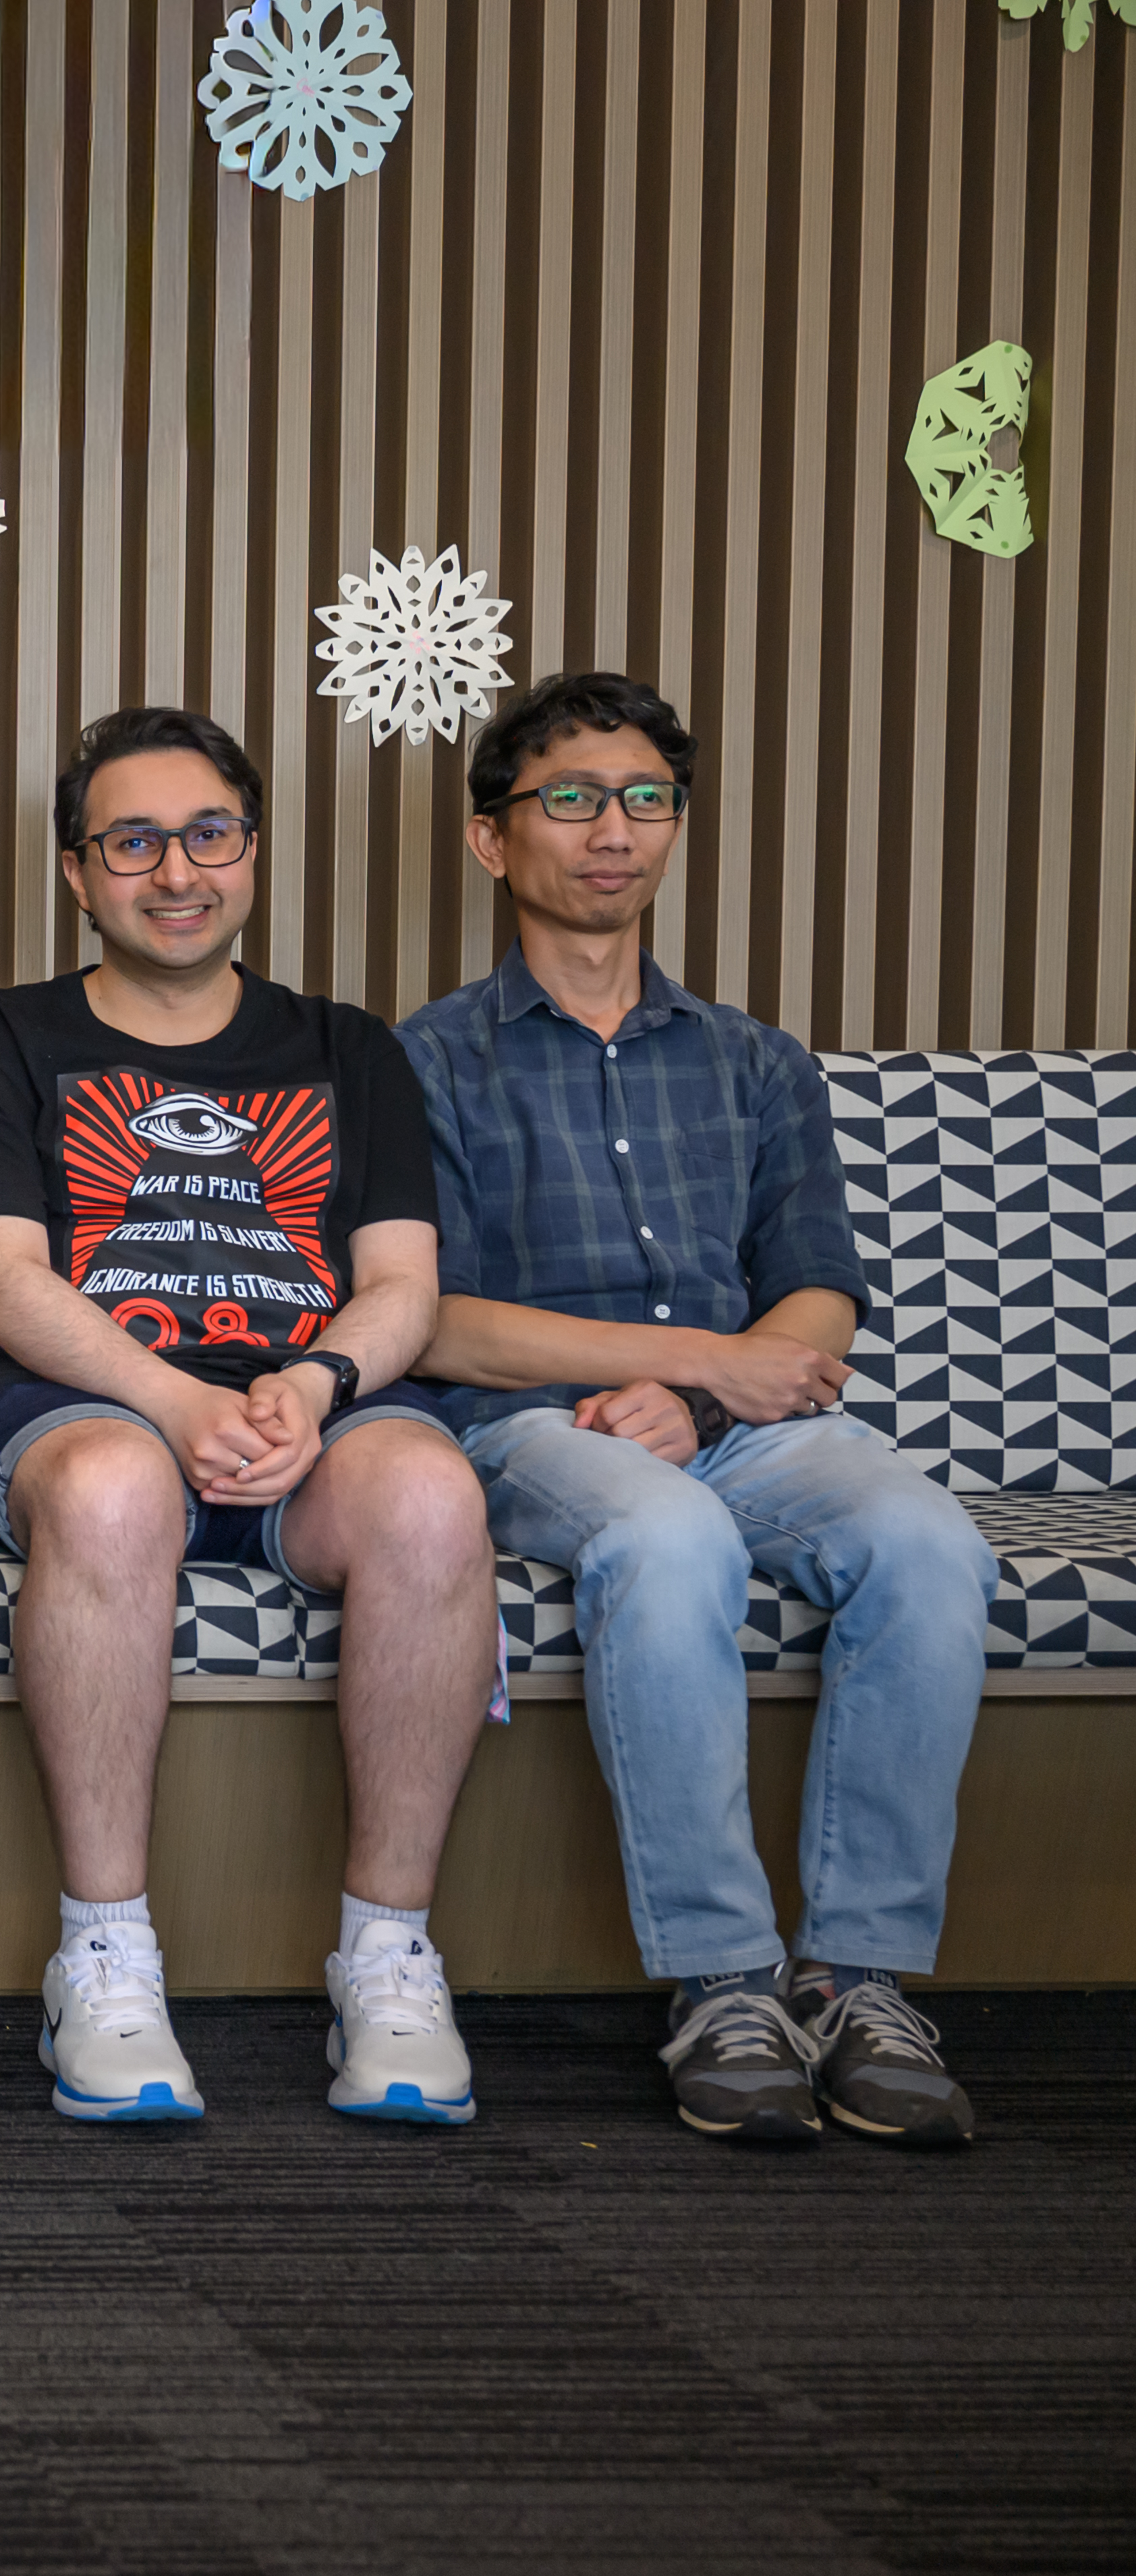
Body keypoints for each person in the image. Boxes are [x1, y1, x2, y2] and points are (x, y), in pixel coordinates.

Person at [405, 672, 990, 2146]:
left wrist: (701, 1382)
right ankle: (723, 1980)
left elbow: (816, 1294)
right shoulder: (429, 1061)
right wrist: (667, 1376)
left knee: (927, 1540)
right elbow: (440, 1322)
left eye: (647, 799)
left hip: (738, 1421)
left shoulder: (754, 1062)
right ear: (493, 841)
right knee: (668, 1541)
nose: (616, 832)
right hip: (533, 1433)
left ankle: (858, 1975)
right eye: (573, 799)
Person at [0, 706, 499, 2126]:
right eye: (132, 842)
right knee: (119, 1486)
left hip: (306, 1426)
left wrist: (315, 1383)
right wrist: (182, 1401)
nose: (174, 872)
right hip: (89, 1409)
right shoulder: (2, 1037)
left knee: (435, 1497)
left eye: (208, 835)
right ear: (77, 872)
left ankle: (389, 1955)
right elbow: (1, 1283)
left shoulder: (347, 1050)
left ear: (252, 853)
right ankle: (105, 1955)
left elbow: (401, 1287)